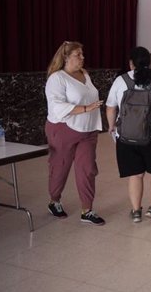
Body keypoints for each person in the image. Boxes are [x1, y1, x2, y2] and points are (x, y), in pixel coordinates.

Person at [106, 47, 151, 224]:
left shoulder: (120, 81)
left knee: (135, 174)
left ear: (130, 63)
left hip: (127, 135)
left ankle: (136, 211)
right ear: (149, 62)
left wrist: (112, 126)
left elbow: (110, 107)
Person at [44, 41, 105, 225]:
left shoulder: (84, 74)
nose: (82, 58)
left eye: (82, 54)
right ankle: (54, 201)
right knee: (60, 168)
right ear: (66, 58)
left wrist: (90, 111)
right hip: (63, 130)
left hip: (88, 130)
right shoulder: (57, 78)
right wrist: (85, 108)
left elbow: (90, 96)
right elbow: (56, 106)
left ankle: (87, 210)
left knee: (87, 169)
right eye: (78, 55)